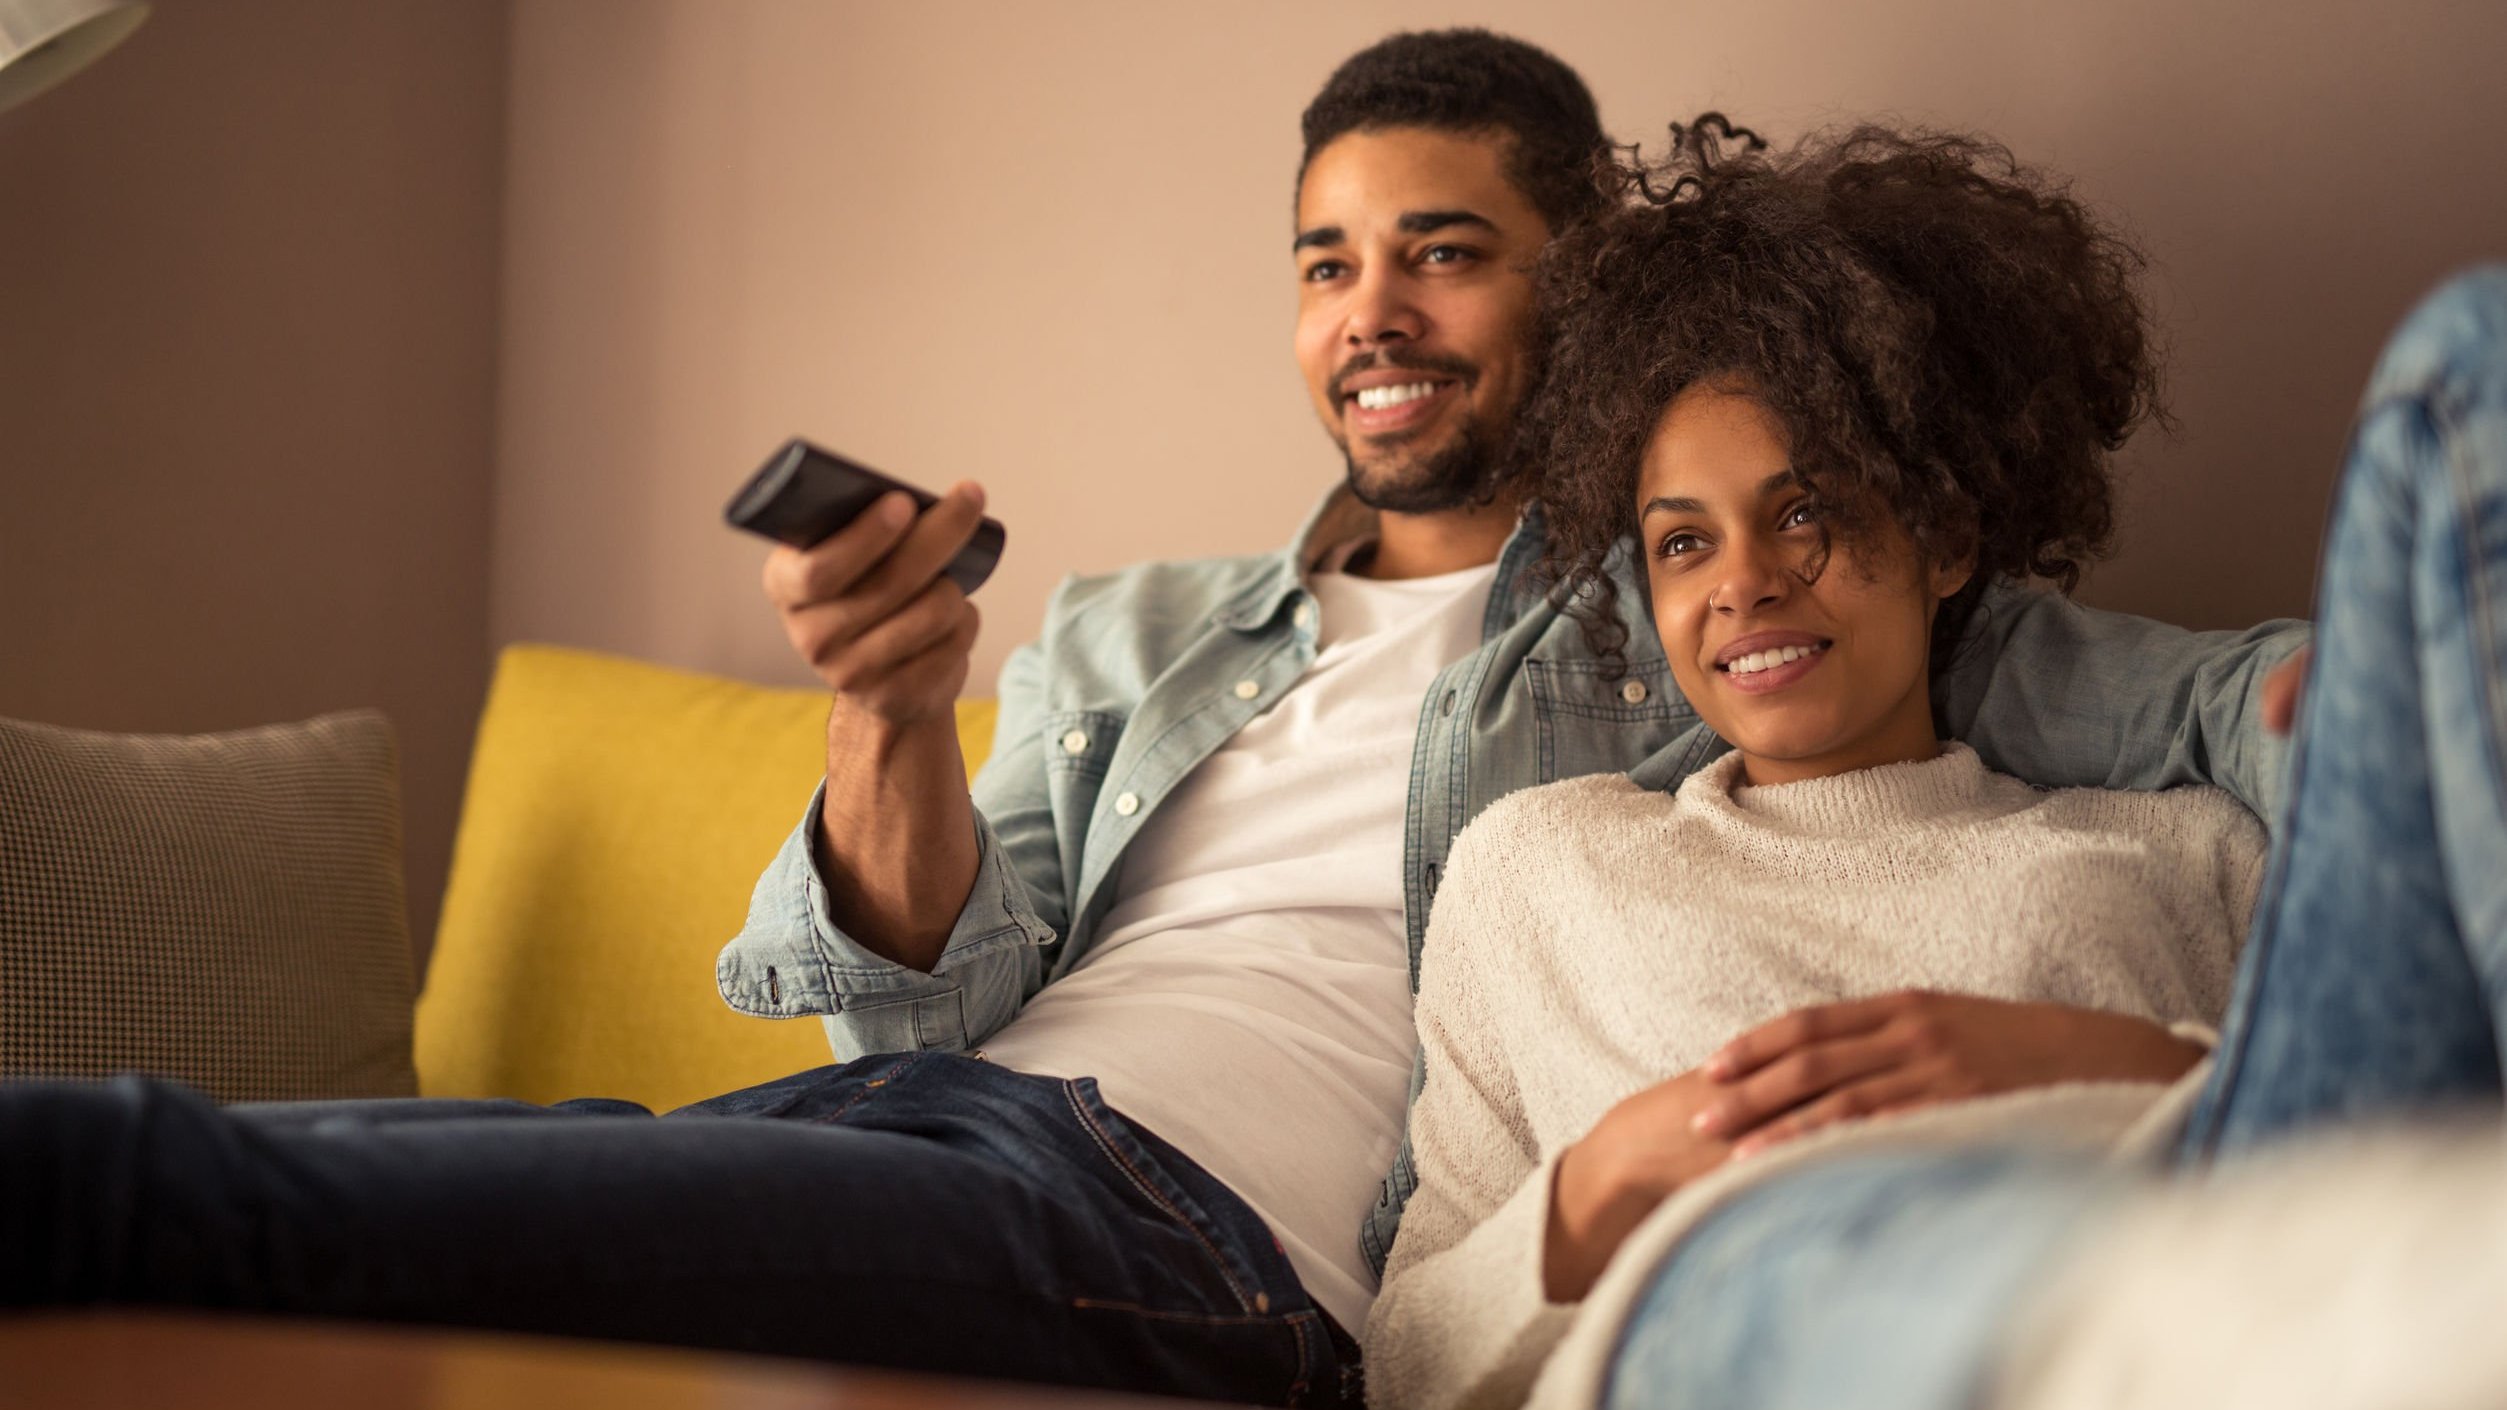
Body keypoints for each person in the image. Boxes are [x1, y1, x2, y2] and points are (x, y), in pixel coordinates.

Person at [1, 33, 2297, 1407]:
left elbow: (2224, 721)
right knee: (264, 1176)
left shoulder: (1712, 598)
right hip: (944, 1128)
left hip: (1198, 1245)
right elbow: (926, 981)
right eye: (1326, 261)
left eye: (1444, 248)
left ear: (1582, 270)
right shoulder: (1143, 633)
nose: (1370, 312)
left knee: (156, 1178)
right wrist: (891, 718)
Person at [1365, 116, 2507, 1410]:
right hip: (1768, 1276)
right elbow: (1402, 1359)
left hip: (2204, 1210)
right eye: (1683, 543)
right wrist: (1601, 1179)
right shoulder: (1535, 865)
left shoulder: (2187, 842)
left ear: (1946, 537)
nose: (1741, 582)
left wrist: (2097, 1059)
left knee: (2476, 357)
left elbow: (2328, 1126)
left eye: (1805, 511)